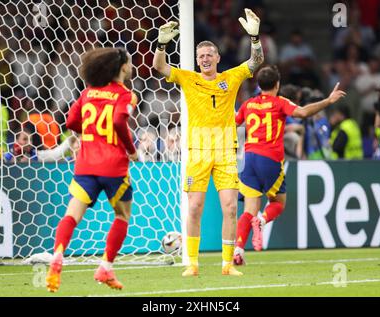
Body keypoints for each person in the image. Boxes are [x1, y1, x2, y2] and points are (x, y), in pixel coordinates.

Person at [153, 8, 264, 277]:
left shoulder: (231, 77)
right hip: (198, 152)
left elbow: (255, 62)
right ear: (196, 59)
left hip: (226, 152)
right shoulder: (188, 78)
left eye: (208, 55)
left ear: (217, 58)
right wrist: (161, 45)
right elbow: (159, 66)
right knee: (194, 207)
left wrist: (255, 39)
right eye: (200, 56)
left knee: (229, 207)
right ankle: (192, 263)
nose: (204, 59)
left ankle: (227, 265)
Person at [46, 47, 138, 292]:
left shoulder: (87, 93)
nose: (130, 67)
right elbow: (119, 120)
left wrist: (88, 131)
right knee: (121, 216)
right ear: (122, 68)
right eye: (129, 63)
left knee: (71, 216)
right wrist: (131, 149)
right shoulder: (126, 95)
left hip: (85, 165)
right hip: (113, 167)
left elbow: (70, 122)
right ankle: (105, 266)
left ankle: (57, 255)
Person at [233, 66, 346, 265]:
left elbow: (233, 122)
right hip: (270, 160)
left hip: (249, 160)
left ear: (258, 85)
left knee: (248, 210)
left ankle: (239, 250)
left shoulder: (248, 104)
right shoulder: (280, 102)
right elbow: (302, 113)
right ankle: (262, 220)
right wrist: (328, 100)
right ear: (277, 85)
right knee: (278, 203)